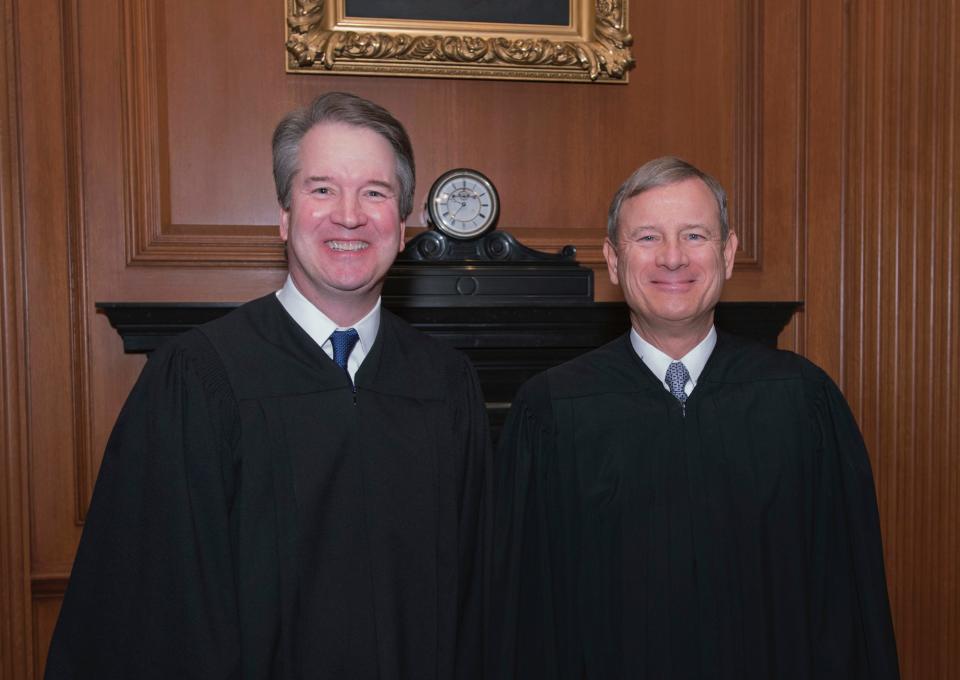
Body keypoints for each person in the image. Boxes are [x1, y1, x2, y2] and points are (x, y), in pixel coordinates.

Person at [46, 92, 490, 679]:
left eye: (375, 193)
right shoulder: (199, 377)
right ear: (283, 214)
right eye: (322, 188)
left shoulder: (445, 384)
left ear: (403, 225)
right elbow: (151, 610)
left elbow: (479, 599)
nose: (350, 215)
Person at [490, 157, 900, 679]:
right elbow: (523, 621)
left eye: (695, 235)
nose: (673, 258)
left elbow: (848, 607)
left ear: (727, 254)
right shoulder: (550, 412)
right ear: (614, 262)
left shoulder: (802, 402)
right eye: (647, 238)